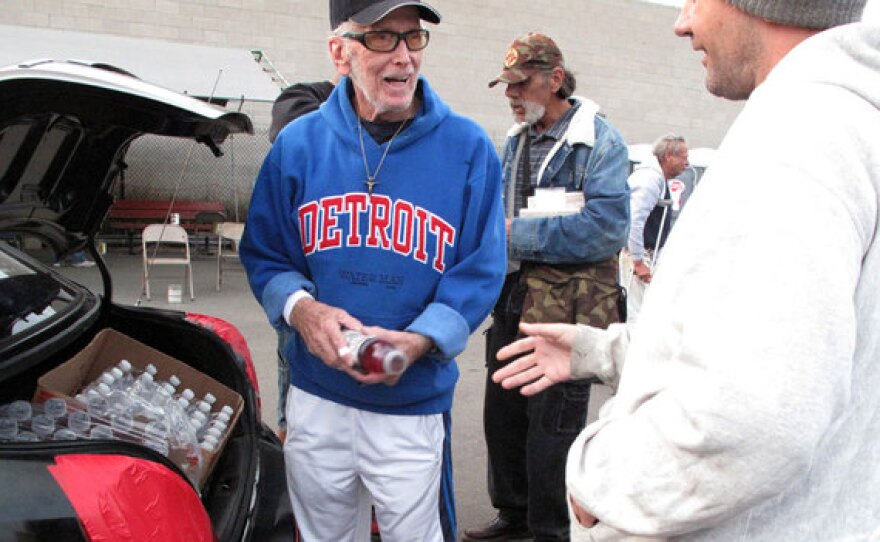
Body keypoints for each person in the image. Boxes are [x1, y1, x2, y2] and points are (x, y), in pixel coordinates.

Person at [492, 0, 879, 539]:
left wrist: (601, 478)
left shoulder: (797, 145)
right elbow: (762, 340)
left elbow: (761, 420)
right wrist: (602, 350)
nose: (683, 22)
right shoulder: (845, 124)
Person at [239, 0, 507, 540]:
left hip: (411, 402)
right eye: (382, 38)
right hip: (317, 396)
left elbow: (480, 268)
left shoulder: (468, 147)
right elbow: (267, 252)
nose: (404, 57)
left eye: (413, 38)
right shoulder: (299, 145)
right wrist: (302, 309)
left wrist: (422, 339)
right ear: (341, 52)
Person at [464, 32, 629, 542]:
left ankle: (551, 530)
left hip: (568, 309)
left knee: (554, 428)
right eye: (506, 86)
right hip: (514, 297)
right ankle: (514, 516)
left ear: (555, 80)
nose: (512, 95)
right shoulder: (516, 140)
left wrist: (520, 234)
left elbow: (607, 228)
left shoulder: (599, 140)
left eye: (522, 84)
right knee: (505, 417)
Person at [624, 134, 688, 322]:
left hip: (642, 253)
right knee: (635, 313)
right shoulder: (650, 179)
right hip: (637, 255)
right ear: (669, 156)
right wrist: (637, 261)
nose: (687, 163)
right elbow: (635, 219)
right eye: (683, 157)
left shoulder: (655, 178)